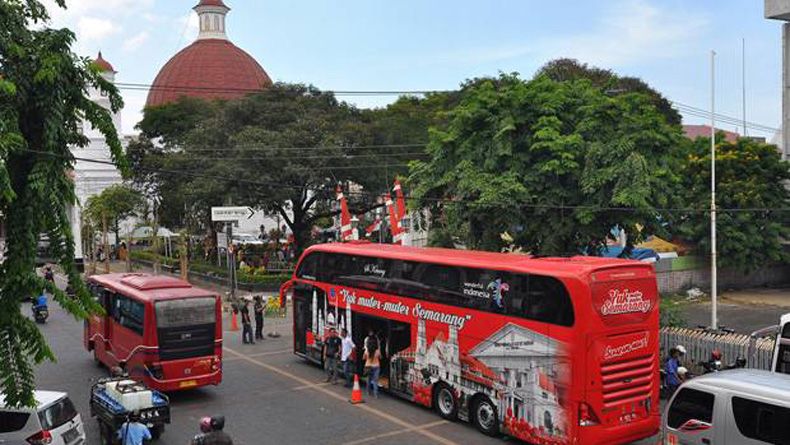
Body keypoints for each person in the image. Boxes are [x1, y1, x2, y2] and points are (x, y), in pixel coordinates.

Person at [363, 333, 381, 398]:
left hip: (368, 366)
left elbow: (364, 358)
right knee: (375, 381)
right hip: (376, 366)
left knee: (368, 380)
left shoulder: (367, 351)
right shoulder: (377, 351)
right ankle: (375, 394)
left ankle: (368, 392)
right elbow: (380, 357)